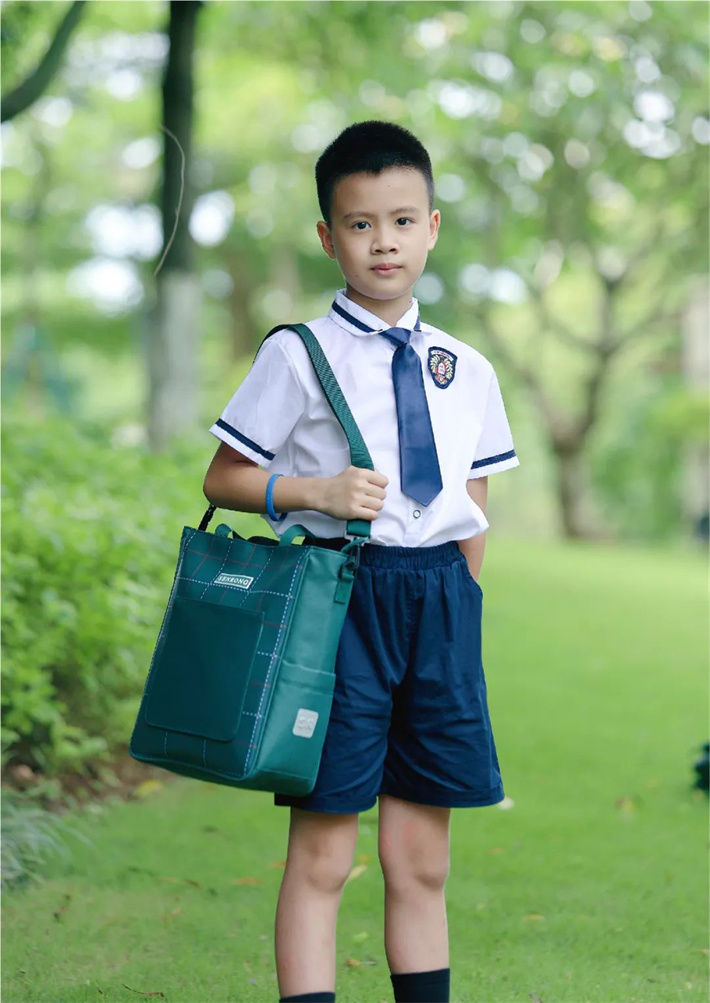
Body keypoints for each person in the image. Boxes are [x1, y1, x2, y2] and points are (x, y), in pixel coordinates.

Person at [203, 119, 520, 1003]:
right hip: (338, 605)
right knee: (325, 853)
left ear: (432, 227)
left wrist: (459, 601)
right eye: (361, 223)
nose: (384, 241)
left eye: (403, 220)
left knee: (420, 859)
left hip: (441, 607)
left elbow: (473, 502)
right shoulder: (297, 354)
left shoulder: (468, 367)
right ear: (327, 235)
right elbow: (223, 477)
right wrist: (317, 491)